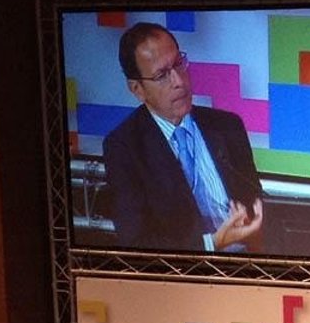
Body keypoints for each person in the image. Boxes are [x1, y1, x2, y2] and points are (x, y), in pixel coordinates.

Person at [103, 22, 264, 253]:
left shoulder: (228, 127)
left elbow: (254, 196)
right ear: (137, 89)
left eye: (179, 64)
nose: (179, 81)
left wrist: (252, 220)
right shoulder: (124, 148)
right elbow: (137, 242)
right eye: (161, 75)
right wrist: (212, 244)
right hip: (181, 270)